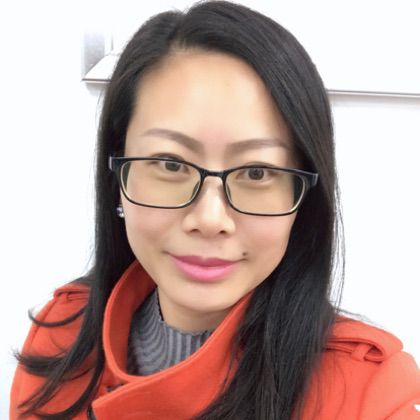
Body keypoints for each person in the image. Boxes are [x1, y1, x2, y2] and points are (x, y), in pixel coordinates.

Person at [10, 1, 420, 419]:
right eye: (170, 164)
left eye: (257, 172)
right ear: (117, 177)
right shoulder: (61, 336)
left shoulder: (371, 394)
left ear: (303, 202)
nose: (209, 219)